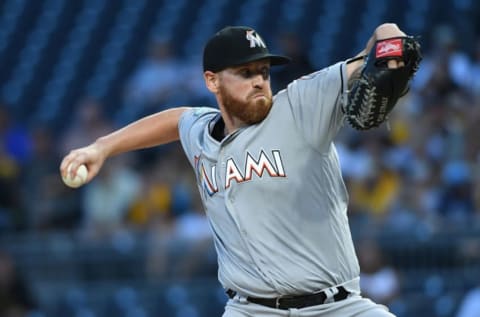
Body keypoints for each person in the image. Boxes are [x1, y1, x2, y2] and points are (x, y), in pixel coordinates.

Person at [61, 23, 420, 316]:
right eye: (245, 72)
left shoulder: (300, 105)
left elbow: (383, 36)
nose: (259, 81)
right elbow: (174, 120)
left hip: (336, 308)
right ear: (212, 81)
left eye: (263, 71)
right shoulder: (200, 132)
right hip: (251, 311)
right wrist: (102, 147)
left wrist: (390, 50)